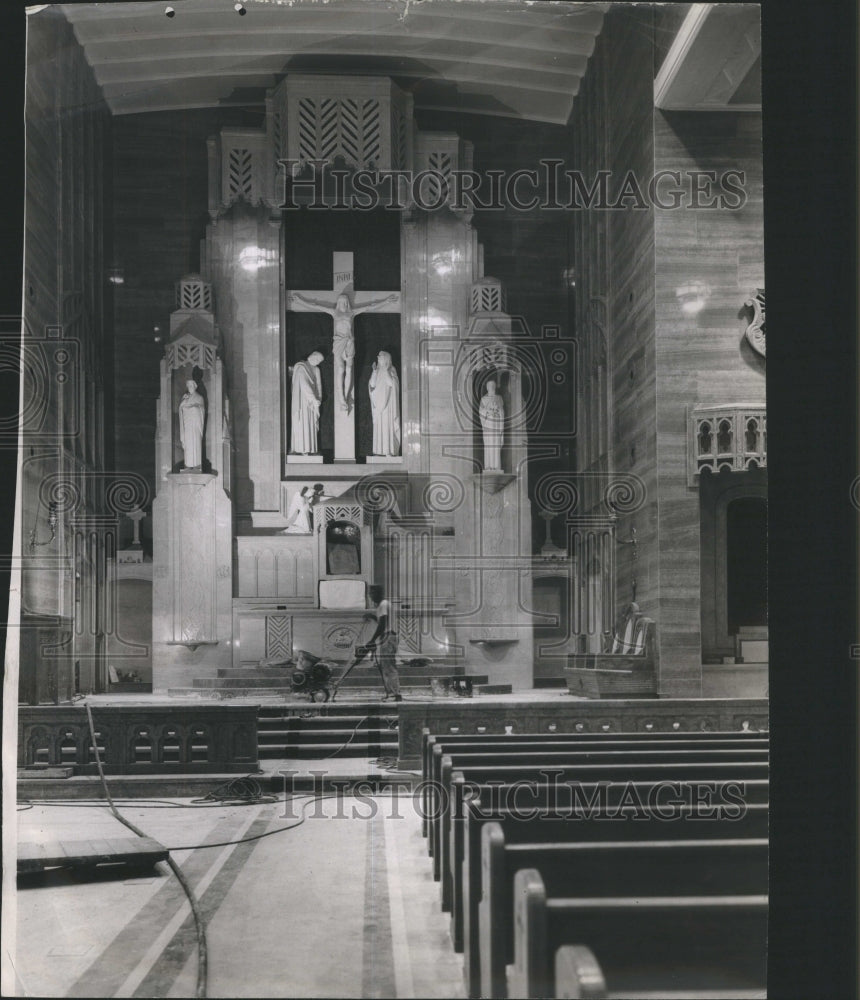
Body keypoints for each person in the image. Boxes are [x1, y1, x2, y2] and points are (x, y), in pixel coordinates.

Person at [290, 291, 398, 412]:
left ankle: (346, 397)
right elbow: (316, 306)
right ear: (339, 302)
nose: (344, 303)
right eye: (342, 301)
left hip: (350, 343)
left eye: (346, 301)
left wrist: (386, 301)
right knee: (340, 369)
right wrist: (300, 301)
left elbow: (369, 307)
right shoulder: (334, 313)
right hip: (338, 343)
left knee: (349, 369)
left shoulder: (351, 313)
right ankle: (341, 398)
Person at [358, 585, 401, 701]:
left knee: (388, 667)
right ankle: (392, 693)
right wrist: (372, 616)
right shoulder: (385, 605)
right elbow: (384, 622)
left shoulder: (383, 604)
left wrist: (372, 639)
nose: (370, 596)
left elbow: (383, 624)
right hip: (389, 636)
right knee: (386, 666)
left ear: (378, 593)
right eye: (369, 594)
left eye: (372, 593)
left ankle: (394, 694)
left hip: (388, 637)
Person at [289, 350, 324, 455]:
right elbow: (304, 385)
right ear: (311, 356)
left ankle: (311, 448)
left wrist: (319, 399)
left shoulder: (316, 369)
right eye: (317, 359)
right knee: (302, 422)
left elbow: (319, 385)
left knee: (310, 424)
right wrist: (313, 399)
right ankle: (302, 449)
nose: (318, 362)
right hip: (303, 402)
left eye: (319, 361)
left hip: (313, 404)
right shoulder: (301, 367)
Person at [369, 351, 401, 456]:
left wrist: (387, 371)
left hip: (388, 405)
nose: (378, 358)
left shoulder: (391, 369)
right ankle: (378, 451)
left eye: (380, 356)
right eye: (378, 356)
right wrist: (374, 371)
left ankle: (389, 451)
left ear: (386, 358)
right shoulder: (376, 370)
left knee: (387, 427)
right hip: (378, 405)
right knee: (379, 428)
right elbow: (372, 385)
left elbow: (393, 384)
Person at [178, 378, 205, 470]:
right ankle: (188, 465)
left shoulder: (199, 397)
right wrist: (184, 402)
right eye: (188, 386)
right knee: (188, 445)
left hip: (196, 426)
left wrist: (193, 409)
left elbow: (201, 411)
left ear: (195, 386)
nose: (189, 387)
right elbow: (181, 409)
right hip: (188, 426)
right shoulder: (185, 397)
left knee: (196, 444)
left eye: (191, 385)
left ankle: (197, 465)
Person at [479, 380, 504, 471]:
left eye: (493, 385)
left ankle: (497, 466)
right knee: (489, 445)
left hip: (496, 424)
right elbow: (481, 413)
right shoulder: (484, 399)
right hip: (488, 424)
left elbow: (502, 412)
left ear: (495, 387)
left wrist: (501, 427)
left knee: (496, 444)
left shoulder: (499, 398)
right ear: (487, 387)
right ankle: (488, 466)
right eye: (490, 385)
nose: (492, 387)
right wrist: (487, 411)